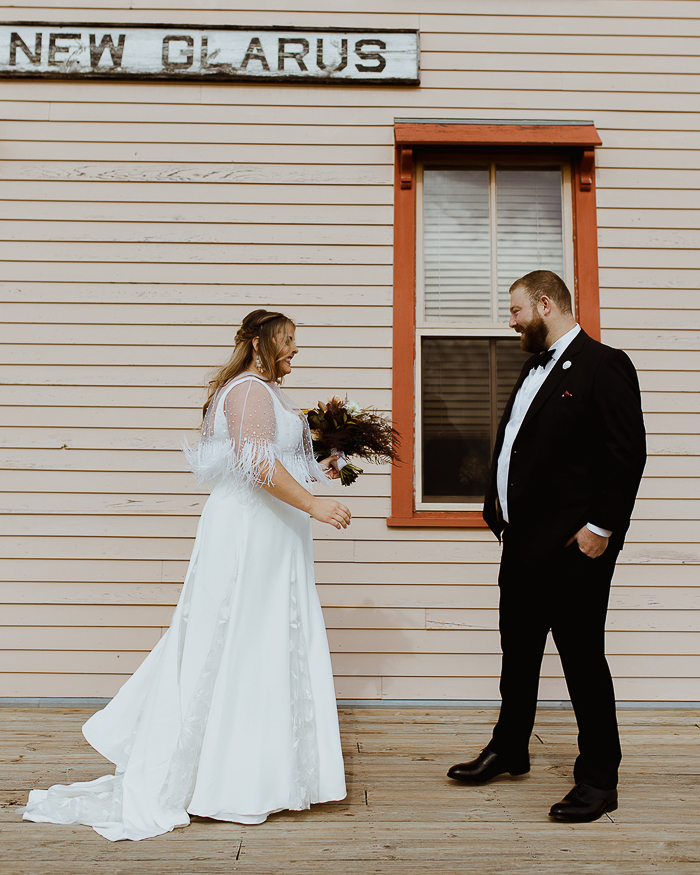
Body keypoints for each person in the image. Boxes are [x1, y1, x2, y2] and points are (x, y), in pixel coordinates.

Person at [23, 309, 351, 841]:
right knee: (237, 638)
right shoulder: (248, 392)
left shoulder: (265, 393)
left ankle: (255, 774)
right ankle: (224, 781)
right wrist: (314, 505)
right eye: (288, 342)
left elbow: (276, 457)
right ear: (258, 342)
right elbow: (256, 464)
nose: (295, 351)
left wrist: (324, 462)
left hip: (273, 535)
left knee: (263, 640)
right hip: (249, 532)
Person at [447, 271, 646, 823]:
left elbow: (626, 454)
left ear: (544, 303)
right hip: (522, 544)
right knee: (519, 654)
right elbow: (520, 445)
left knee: (582, 662)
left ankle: (598, 779)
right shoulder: (534, 368)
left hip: (572, 548)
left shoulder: (605, 366)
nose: (510, 323)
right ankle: (510, 748)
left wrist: (601, 529)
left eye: (515, 312)